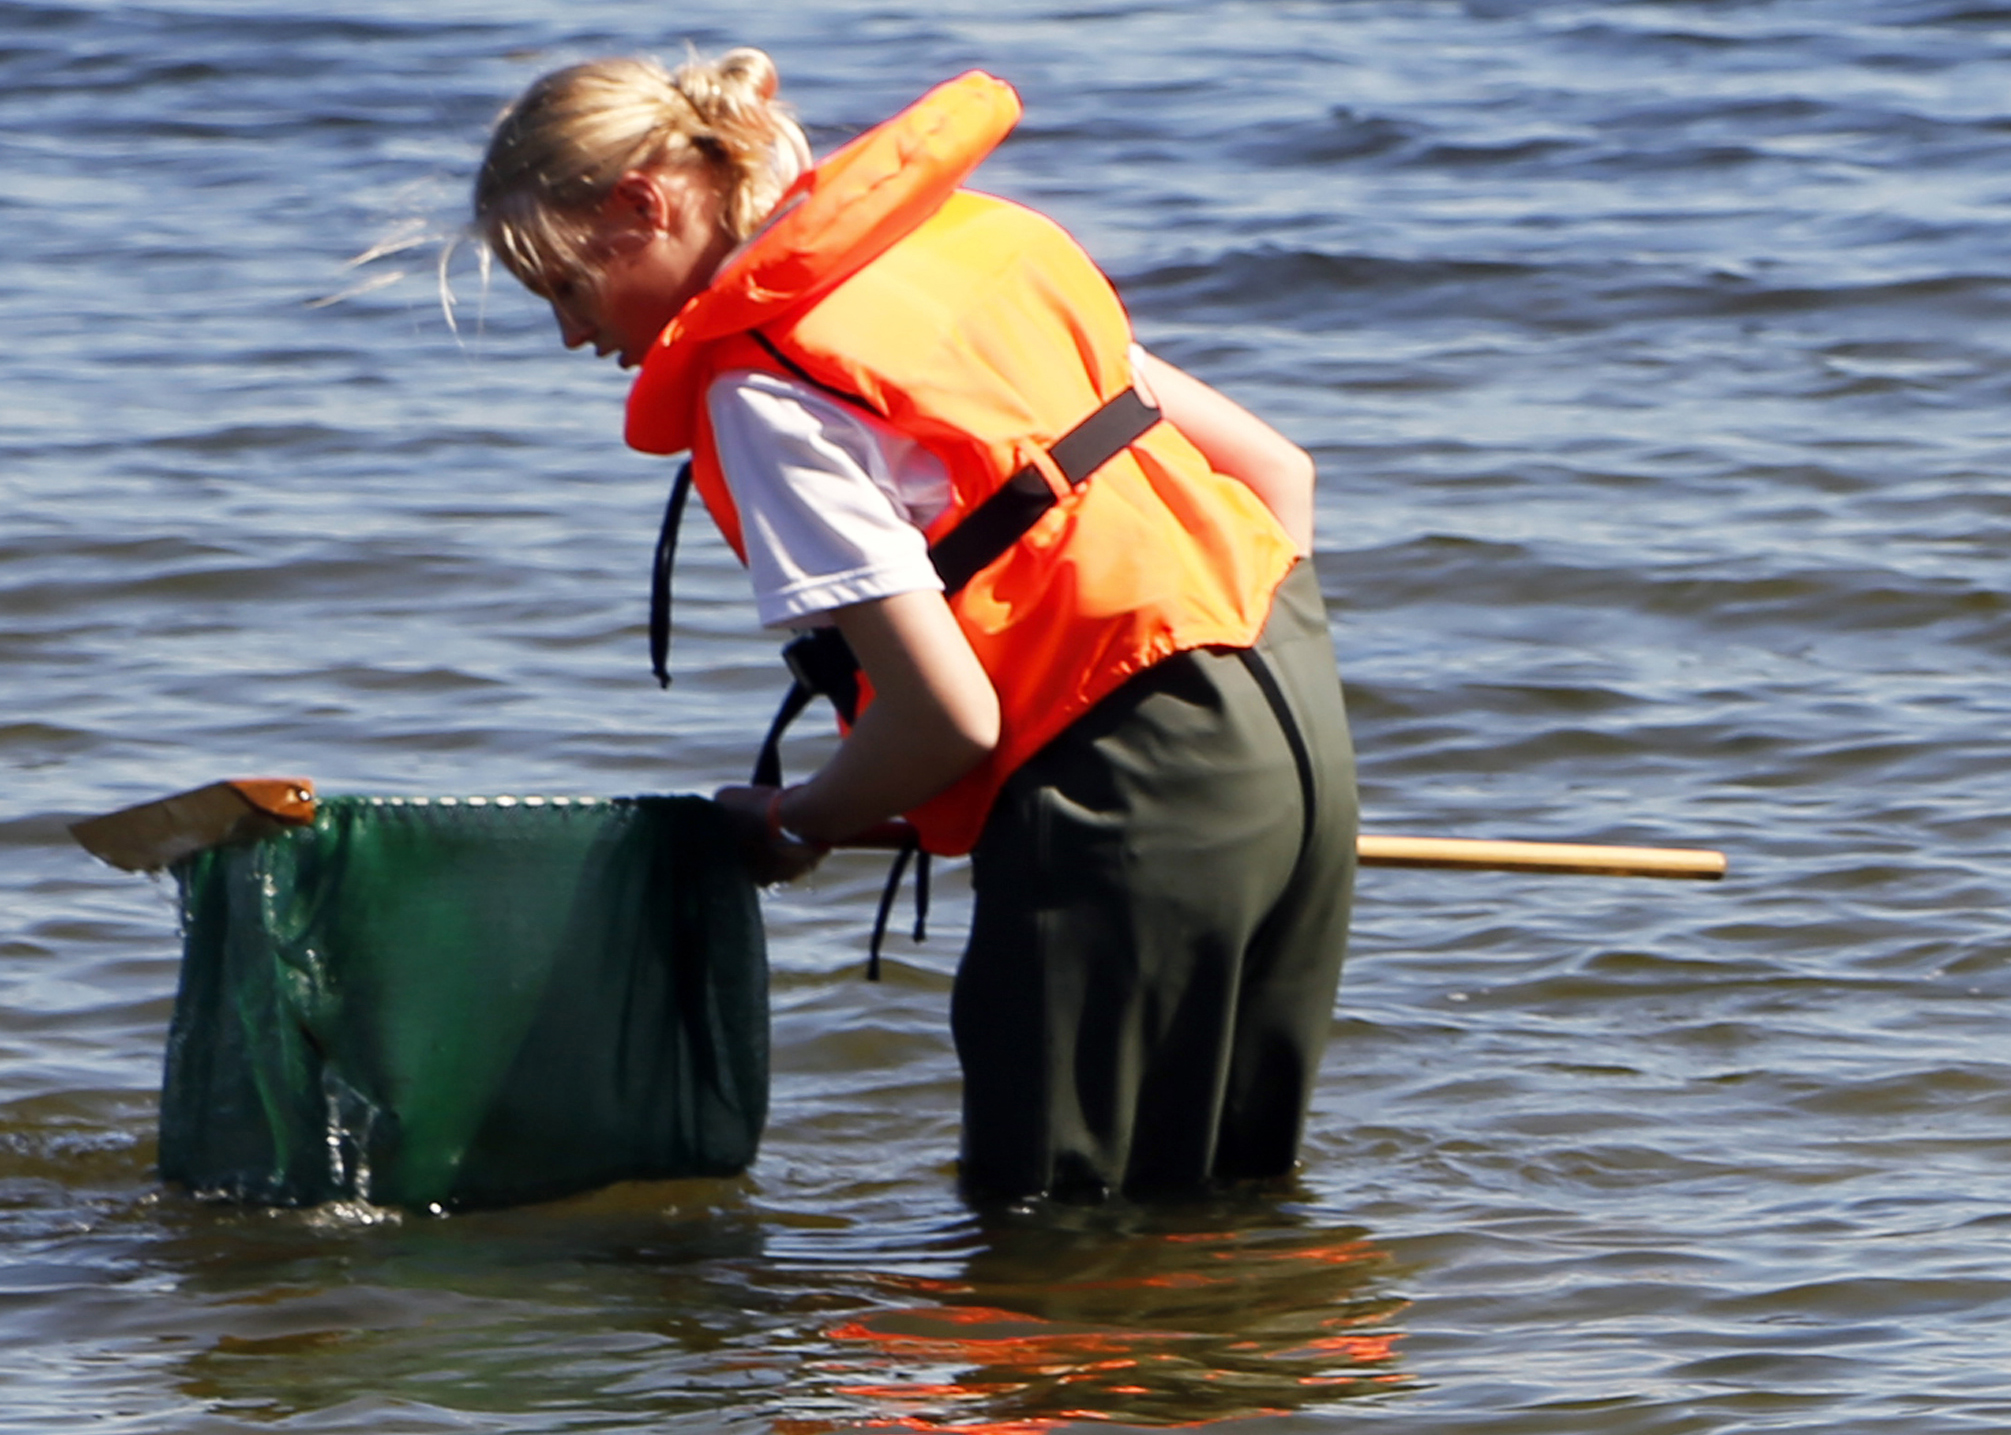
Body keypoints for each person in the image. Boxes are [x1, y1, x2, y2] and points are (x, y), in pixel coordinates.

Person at [471, 51, 1357, 1206]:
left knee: (1047, 1239)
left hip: (1123, 789)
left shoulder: (765, 385)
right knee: (1231, 1205)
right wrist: (1221, 719)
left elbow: (949, 719)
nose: (574, 339)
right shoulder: (972, 242)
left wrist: (797, 820)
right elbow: (1276, 476)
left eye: (567, 291)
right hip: (1293, 719)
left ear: (646, 207)